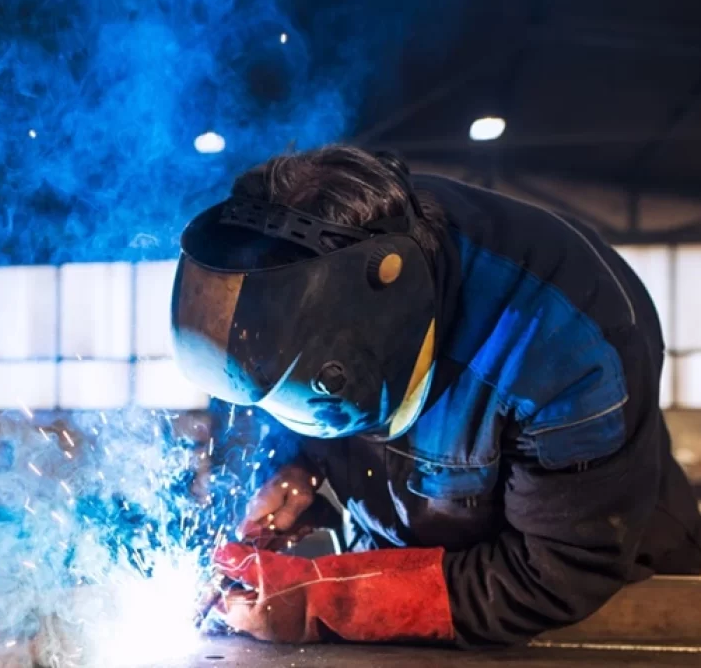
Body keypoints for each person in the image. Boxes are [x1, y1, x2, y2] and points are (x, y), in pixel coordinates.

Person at [171, 146, 701, 647]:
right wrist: (295, 466)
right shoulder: (317, 267)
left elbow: (556, 572)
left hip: (595, 603)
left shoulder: (567, 344)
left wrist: (321, 602)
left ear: (386, 322)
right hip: (400, 575)